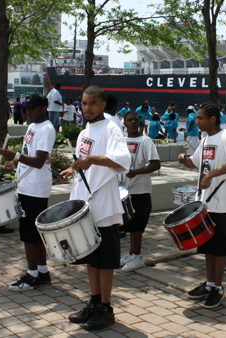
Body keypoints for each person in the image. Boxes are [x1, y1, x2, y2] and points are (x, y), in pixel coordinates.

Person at [59, 85, 131, 331]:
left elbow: (123, 160)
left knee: (105, 260)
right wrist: (74, 168)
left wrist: (91, 160)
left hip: (104, 204)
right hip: (85, 203)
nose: (87, 107)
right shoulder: (84, 132)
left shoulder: (111, 127)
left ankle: (106, 308)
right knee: (91, 257)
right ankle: (94, 302)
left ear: (102, 104)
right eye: (83, 103)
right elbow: (83, 160)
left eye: (92, 103)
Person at [178, 102, 226, 309]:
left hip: (222, 204)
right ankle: (209, 283)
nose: (196, 121)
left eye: (200, 118)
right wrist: (184, 159)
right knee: (208, 247)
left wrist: (212, 175)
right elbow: (196, 163)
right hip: (206, 204)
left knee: (220, 249)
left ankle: (218, 288)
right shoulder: (205, 140)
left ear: (212, 119)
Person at [0, 94, 56, 291]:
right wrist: (13, 163)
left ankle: (32, 276)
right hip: (26, 184)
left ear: (44, 108)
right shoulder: (32, 126)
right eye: (26, 108)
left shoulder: (47, 129)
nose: (27, 111)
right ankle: (42, 271)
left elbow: (39, 161)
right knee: (34, 233)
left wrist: (15, 155)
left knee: (30, 234)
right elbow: (27, 153)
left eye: (32, 108)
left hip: (36, 188)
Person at [120, 111, 160, 272]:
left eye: (136, 120)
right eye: (130, 120)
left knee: (137, 225)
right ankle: (131, 254)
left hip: (140, 190)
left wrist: (136, 172)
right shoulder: (121, 141)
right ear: (124, 124)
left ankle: (137, 257)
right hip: (124, 190)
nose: (133, 122)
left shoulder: (146, 140)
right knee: (129, 224)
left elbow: (156, 164)